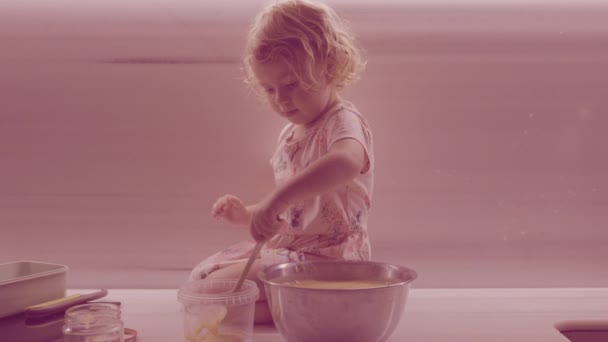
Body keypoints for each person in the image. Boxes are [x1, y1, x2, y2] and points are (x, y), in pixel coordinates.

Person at [189, 0, 373, 324]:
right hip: (295, 252)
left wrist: (275, 201)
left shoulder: (342, 122)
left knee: (216, 295)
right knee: (202, 283)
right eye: (269, 89)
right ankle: (311, 308)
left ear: (330, 65)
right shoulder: (293, 133)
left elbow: (346, 162)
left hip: (330, 260)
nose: (280, 99)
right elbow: (295, 207)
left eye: (291, 84)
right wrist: (251, 213)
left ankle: (324, 302)